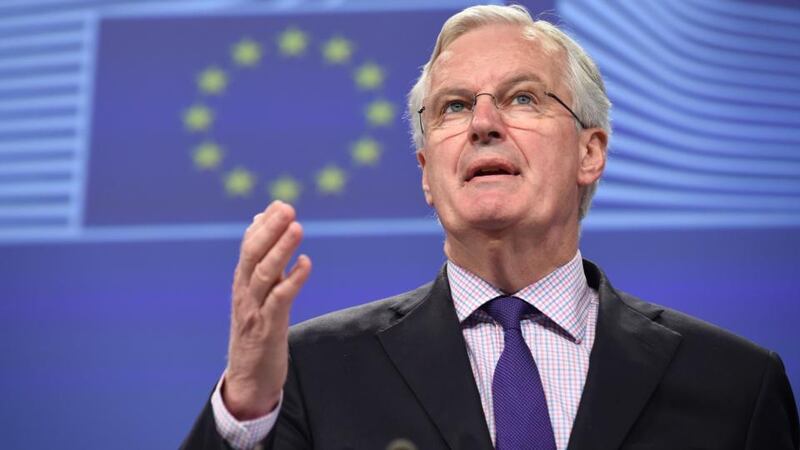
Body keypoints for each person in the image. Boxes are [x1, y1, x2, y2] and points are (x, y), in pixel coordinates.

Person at [183, 5, 799, 449]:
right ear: (427, 173)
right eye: (453, 106)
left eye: (522, 98)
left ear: (590, 152)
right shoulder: (313, 372)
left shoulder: (734, 384)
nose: (482, 123)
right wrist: (244, 407)